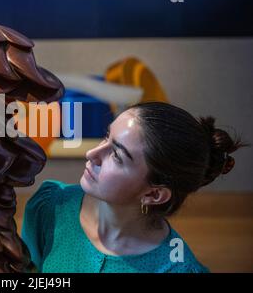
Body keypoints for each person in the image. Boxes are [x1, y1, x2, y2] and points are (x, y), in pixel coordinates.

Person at [21, 101, 246, 273]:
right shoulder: (51, 205)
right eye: (106, 136)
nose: (92, 154)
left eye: (117, 155)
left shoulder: (176, 267)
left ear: (154, 193)